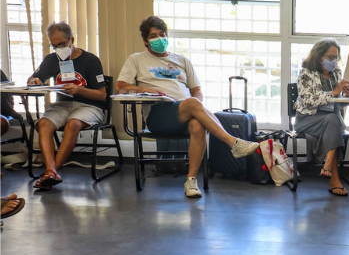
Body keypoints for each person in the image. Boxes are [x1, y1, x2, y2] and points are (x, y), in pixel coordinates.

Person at [115, 16, 259, 199]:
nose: (159, 38)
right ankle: (233, 142)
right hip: (158, 115)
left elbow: (197, 91)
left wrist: (195, 106)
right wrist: (145, 89)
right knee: (192, 103)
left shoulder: (182, 60)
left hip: (185, 111)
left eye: (162, 34)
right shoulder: (137, 59)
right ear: (145, 40)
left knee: (197, 124)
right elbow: (120, 87)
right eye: (153, 36)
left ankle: (191, 180)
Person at [26, 22, 107, 190]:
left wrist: (79, 90)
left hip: (89, 106)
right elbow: (33, 78)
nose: (58, 49)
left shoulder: (90, 60)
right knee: (43, 124)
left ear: (72, 40)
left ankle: (51, 172)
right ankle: (51, 172)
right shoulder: (51, 60)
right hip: (62, 105)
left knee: (73, 124)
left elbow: (102, 95)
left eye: (62, 44)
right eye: (54, 45)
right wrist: (34, 81)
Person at [294, 38, 349, 197]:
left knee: (333, 120)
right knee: (333, 121)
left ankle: (328, 167)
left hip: (330, 120)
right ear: (319, 56)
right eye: (330, 57)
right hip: (306, 119)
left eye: (336, 57)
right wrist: (334, 92)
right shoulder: (306, 73)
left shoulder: (336, 73)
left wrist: (346, 96)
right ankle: (332, 174)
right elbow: (308, 101)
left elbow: (337, 105)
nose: (333, 61)